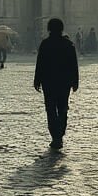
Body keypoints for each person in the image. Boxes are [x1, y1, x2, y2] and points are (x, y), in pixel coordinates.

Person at [33, 17, 79, 150]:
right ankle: (60, 133)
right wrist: (75, 81)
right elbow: (73, 65)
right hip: (64, 82)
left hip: (49, 82)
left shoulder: (45, 44)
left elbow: (40, 64)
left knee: (51, 109)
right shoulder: (68, 44)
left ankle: (55, 136)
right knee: (63, 107)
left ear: (48, 29)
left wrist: (37, 80)